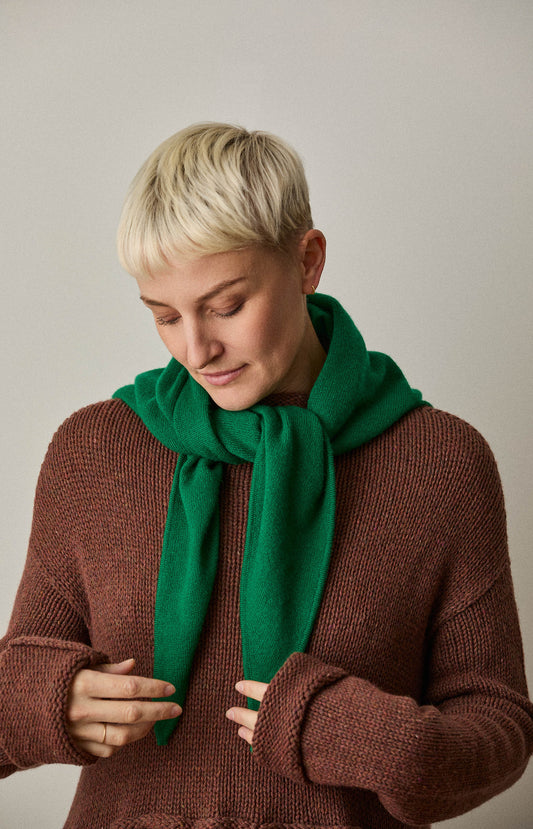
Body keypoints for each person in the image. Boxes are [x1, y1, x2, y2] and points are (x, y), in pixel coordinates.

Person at [1, 122, 531, 829]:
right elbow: (13, 684)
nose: (197, 349)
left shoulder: (440, 462)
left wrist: (375, 741)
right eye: (164, 315)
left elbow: (499, 728)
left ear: (307, 262)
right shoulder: (95, 451)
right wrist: (42, 703)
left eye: (226, 306)